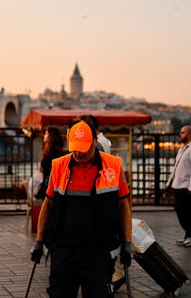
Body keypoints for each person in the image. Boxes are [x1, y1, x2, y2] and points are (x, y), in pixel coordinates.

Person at [30, 120, 132, 298]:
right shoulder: (59, 165)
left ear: (94, 142)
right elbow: (48, 203)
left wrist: (127, 243)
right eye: (74, 147)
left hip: (100, 251)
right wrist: (39, 240)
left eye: (83, 148)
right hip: (63, 249)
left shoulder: (113, 166)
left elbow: (124, 205)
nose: (77, 153)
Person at [166, 125, 191, 247]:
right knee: (180, 210)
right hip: (178, 185)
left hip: (187, 187)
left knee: (187, 212)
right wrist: (169, 183)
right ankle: (188, 235)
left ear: (189, 134)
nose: (180, 135)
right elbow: (176, 167)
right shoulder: (183, 148)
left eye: (182, 133)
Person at [35, 127, 66, 200]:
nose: (44, 135)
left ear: (51, 137)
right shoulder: (59, 151)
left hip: (49, 184)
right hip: (56, 184)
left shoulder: (50, 153)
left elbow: (43, 169)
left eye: (46, 133)